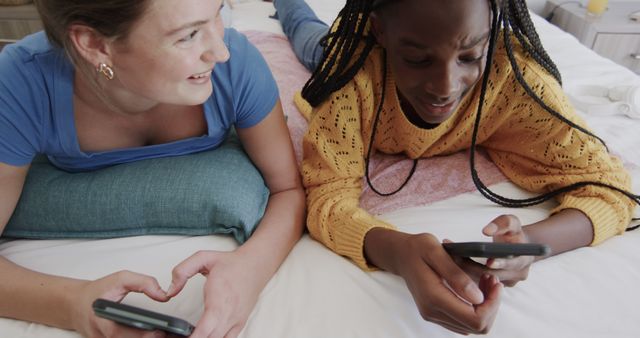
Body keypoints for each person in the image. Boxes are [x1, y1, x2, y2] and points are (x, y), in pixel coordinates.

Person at [274, 0, 639, 334]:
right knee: (308, 35)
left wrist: (530, 242)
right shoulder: (352, 75)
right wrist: (396, 251)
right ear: (380, 31)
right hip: (335, 50)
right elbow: (328, 197)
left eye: (469, 56)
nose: (445, 87)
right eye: (417, 59)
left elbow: (610, 188)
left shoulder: (513, 76)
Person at [0, 0, 305, 337]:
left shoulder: (238, 64)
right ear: (95, 44)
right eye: (188, 36)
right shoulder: (20, 84)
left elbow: (288, 189)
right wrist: (75, 305)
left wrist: (251, 269)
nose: (221, 52)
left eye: (217, 13)